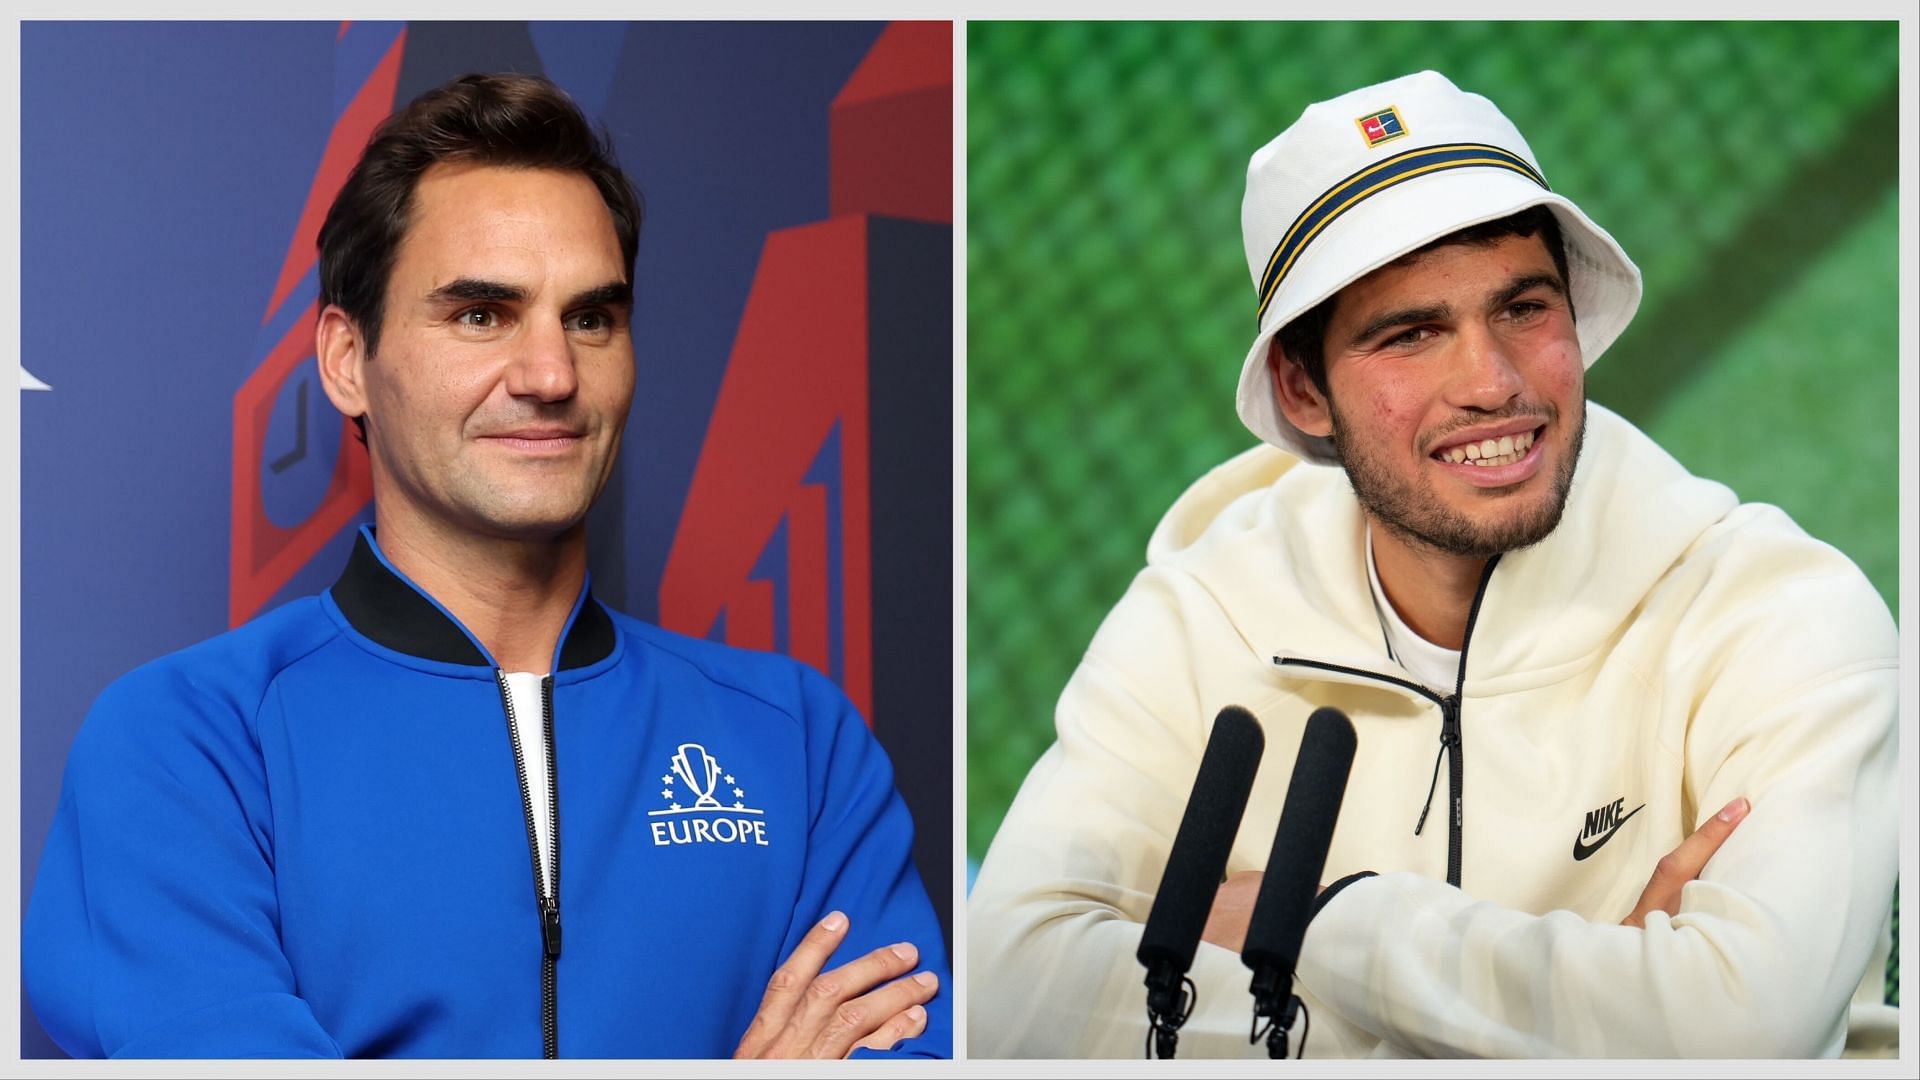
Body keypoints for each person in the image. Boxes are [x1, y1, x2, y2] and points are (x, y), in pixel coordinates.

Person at [968, 70, 1896, 1058]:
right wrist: (1590, 1021)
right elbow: (1008, 1003)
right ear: (1304, 387)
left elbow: (1737, 1033)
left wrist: (1317, 924)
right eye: (1411, 334)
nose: (1492, 382)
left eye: (1524, 308)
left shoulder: (1783, 614)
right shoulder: (1200, 618)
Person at [23, 72, 948, 1060]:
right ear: (346, 361)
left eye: (590, 318)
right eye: (481, 316)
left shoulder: (798, 743)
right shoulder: (188, 745)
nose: (551, 375)